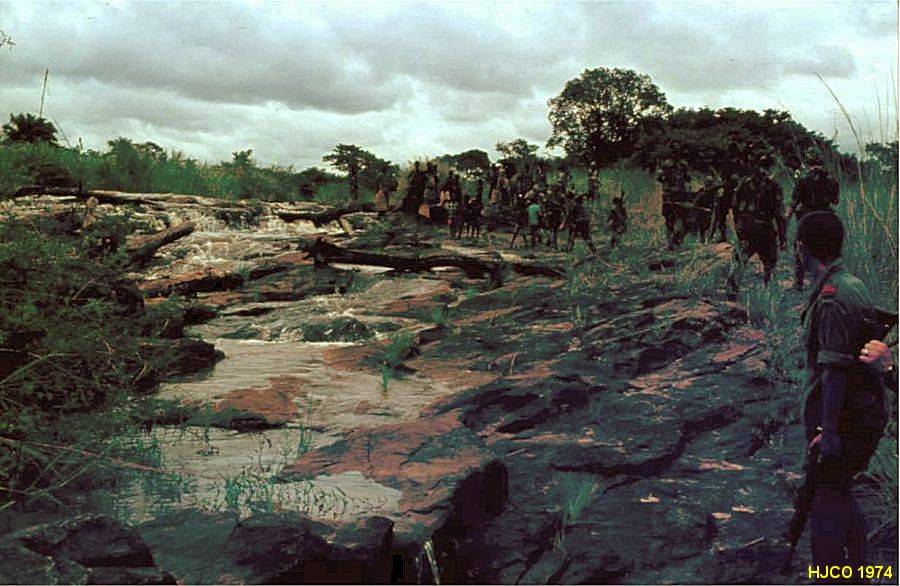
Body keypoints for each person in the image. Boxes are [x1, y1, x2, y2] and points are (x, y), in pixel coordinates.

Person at [798, 210, 887, 574]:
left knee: (826, 506)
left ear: (801, 249)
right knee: (840, 493)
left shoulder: (833, 297)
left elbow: (834, 371)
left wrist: (830, 432)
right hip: (860, 410)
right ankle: (857, 573)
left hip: (847, 417)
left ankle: (832, 576)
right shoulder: (851, 283)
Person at [787, 152, 840, 290]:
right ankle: (829, 280)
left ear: (808, 165)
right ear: (821, 165)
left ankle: (799, 282)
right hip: (827, 216)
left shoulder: (803, 180)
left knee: (800, 247)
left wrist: (785, 219)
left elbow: (794, 203)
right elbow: (835, 201)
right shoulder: (831, 180)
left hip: (808, 218)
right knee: (831, 249)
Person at [732, 152, 786, 284]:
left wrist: (738, 226)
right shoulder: (773, 185)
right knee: (769, 263)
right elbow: (779, 214)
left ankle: (733, 285)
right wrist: (783, 237)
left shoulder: (744, 183)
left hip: (748, 227)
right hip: (763, 227)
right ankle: (767, 288)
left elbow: (735, 207)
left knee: (742, 259)